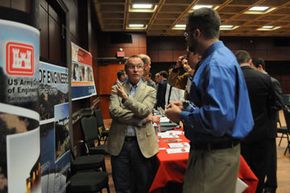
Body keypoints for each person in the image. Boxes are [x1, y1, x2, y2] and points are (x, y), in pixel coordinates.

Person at [164, 8, 253, 193]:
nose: (186, 38)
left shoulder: (216, 63)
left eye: (186, 34)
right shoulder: (221, 57)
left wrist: (182, 115)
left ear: (196, 33)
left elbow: (218, 118)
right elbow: (215, 106)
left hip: (214, 154)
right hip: (215, 152)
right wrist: (187, 106)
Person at [107, 55, 159, 193]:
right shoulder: (116, 88)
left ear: (143, 70)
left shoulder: (151, 90)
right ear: (126, 70)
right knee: (122, 185)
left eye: (139, 67)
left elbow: (144, 110)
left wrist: (125, 98)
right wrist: (139, 120)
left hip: (142, 144)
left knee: (143, 184)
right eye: (131, 67)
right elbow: (114, 112)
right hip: (120, 143)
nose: (135, 70)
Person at [235, 50, 277, 193]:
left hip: (239, 133)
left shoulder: (231, 79)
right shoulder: (265, 79)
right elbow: (275, 104)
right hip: (261, 132)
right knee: (259, 170)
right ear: (250, 61)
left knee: (242, 171)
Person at [246, 55, 282, 193]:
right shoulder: (258, 81)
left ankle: (271, 186)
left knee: (270, 160)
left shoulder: (272, 81)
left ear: (259, 67)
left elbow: (279, 103)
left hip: (268, 127)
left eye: (253, 68)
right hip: (259, 127)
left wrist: (264, 111)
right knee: (262, 160)